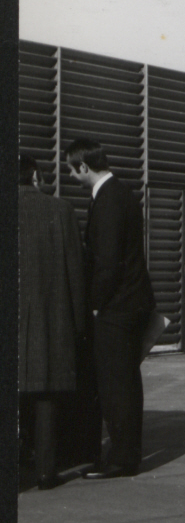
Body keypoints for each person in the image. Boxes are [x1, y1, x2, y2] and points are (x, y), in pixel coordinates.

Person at [65, 138, 157, 479]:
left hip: (116, 307)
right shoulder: (120, 193)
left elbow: (107, 262)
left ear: (84, 166)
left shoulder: (107, 200)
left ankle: (122, 459)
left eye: (72, 170)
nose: (71, 176)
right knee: (125, 381)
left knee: (115, 384)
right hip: (130, 302)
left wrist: (94, 305)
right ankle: (124, 453)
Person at [19, 154, 88, 489]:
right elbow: (76, 271)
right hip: (50, 320)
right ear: (35, 176)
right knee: (46, 393)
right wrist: (78, 323)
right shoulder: (61, 210)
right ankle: (46, 471)